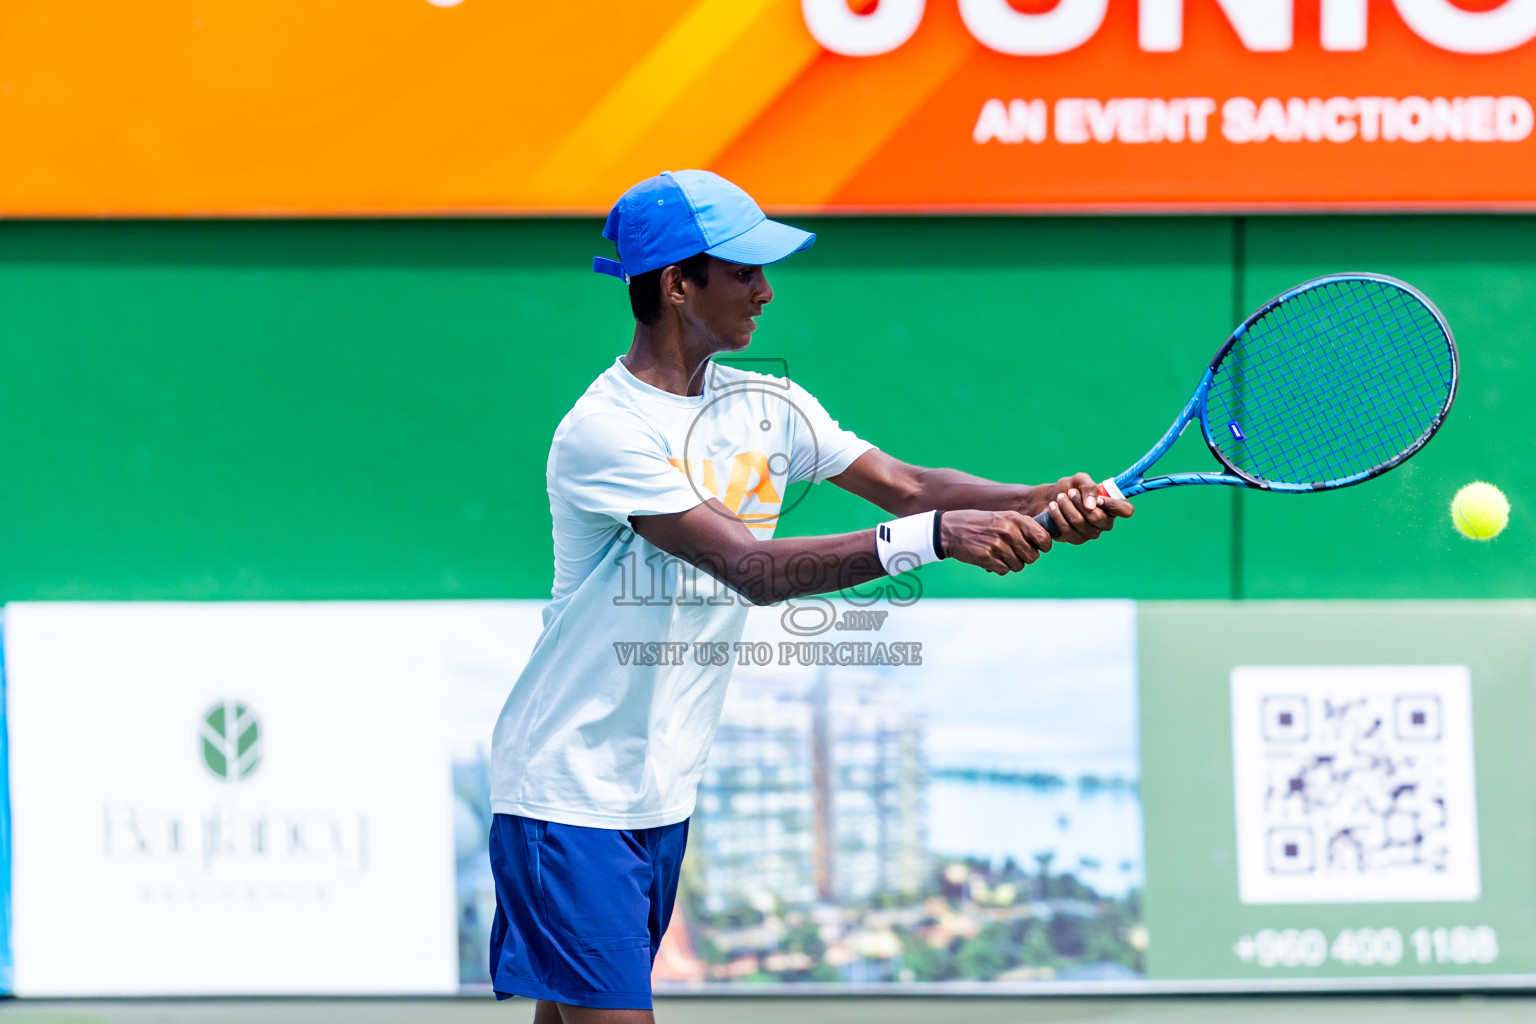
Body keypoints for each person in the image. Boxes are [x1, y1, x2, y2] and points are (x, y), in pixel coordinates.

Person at [487, 169, 1133, 1022]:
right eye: (744, 271)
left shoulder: (768, 403)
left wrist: (1037, 501)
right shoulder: (607, 431)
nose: (766, 291)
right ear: (678, 285)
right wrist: (939, 540)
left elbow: (907, 485)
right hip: (568, 791)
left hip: (656, 791)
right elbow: (753, 570)